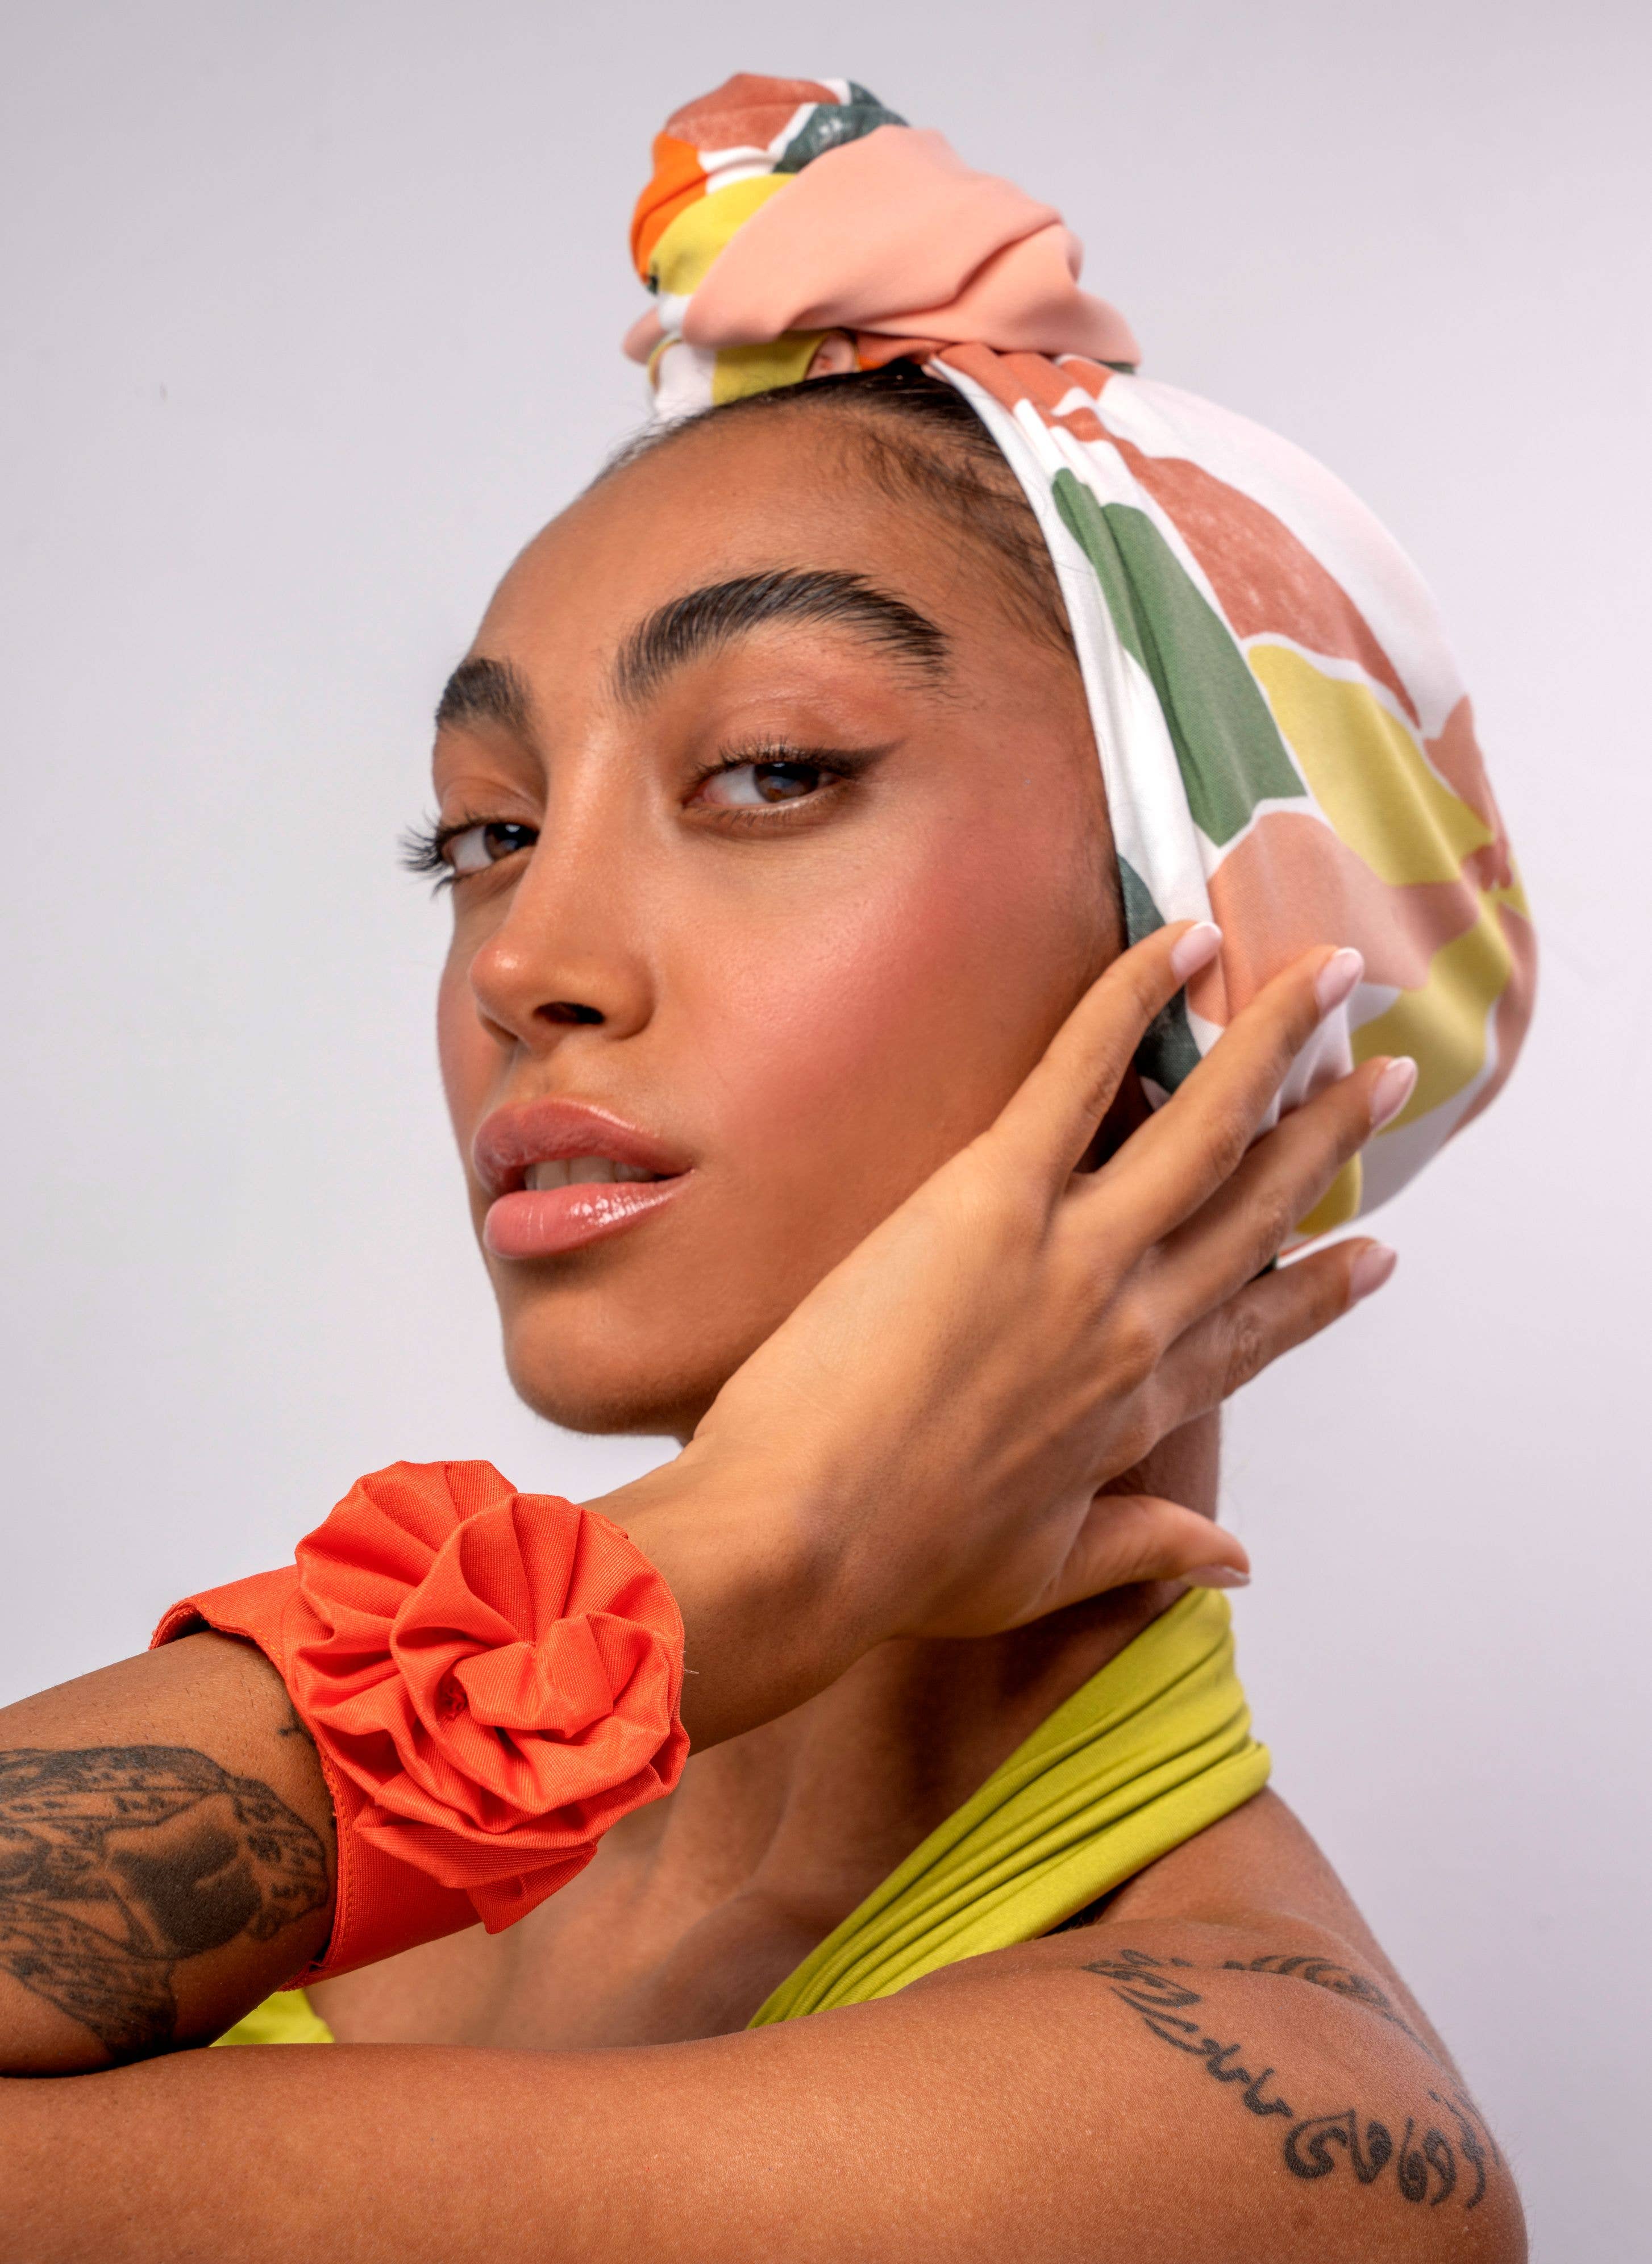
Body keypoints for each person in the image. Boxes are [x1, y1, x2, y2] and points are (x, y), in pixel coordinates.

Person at [0, 75, 1532, 2261]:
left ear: (1233, 956)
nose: (523, 957)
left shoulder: (1244, 2135)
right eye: (486, 829)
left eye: (772, 769)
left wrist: (754, 1549)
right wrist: (734, 1563)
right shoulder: (482, 1824)